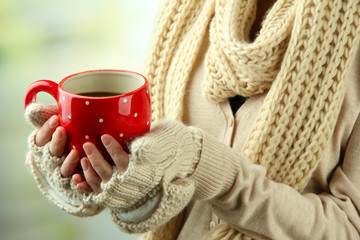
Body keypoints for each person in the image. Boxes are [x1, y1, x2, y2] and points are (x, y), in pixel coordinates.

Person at [25, 0, 360, 239]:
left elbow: (350, 228)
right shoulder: (186, 10)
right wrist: (107, 177)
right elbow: (160, 193)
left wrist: (209, 167)